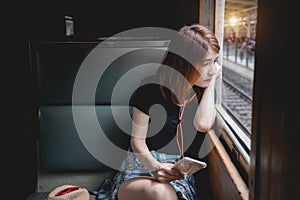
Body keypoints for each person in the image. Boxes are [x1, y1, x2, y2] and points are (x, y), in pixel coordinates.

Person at [99, 23, 221, 200]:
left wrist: (211, 84)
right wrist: (155, 167)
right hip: (143, 164)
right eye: (206, 63)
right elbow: (137, 142)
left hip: (177, 172)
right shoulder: (150, 90)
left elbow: (203, 124)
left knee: (165, 194)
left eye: (216, 61)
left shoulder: (205, 95)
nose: (213, 70)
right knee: (159, 193)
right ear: (184, 62)